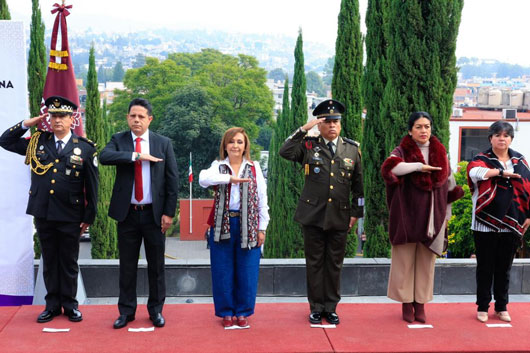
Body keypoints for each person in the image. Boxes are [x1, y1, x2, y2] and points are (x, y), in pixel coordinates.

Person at [0, 96, 99, 323]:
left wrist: (89, 216)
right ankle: (52, 305)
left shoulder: (84, 148)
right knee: (50, 260)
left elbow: (92, 186)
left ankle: (70, 305)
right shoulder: (37, 142)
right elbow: (4, 141)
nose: (57, 121)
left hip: (70, 215)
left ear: (72, 118)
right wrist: (28, 123)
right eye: (53, 116)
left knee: (69, 262)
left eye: (62, 116)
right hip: (43, 212)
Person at [279, 99, 363, 325]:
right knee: (315, 262)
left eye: (336, 121)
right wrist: (305, 128)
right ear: (320, 124)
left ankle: (331, 307)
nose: (332, 126)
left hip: (340, 216)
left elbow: (359, 186)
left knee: (334, 263)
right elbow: (284, 151)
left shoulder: (352, 149)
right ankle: (316, 307)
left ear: (341, 124)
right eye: (327, 122)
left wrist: (356, 213)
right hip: (313, 215)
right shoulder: (309, 145)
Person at [100, 98, 178, 329]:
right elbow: (104, 157)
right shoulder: (119, 140)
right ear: (127, 117)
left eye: (141, 116)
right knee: (127, 266)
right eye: (132, 116)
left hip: (154, 215)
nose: (136, 120)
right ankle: (126, 312)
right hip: (128, 214)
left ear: (149, 119)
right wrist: (136, 156)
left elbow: (172, 180)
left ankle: (156, 311)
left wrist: (169, 213)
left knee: (156, 267)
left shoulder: (162, 143)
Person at [381, 111, 463, 323]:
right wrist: (419, 166)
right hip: (407, 217)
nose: (423, 130)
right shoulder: (401, 151)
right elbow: (391, 169)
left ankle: (420, 304)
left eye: (427, 126)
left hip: (432, 219)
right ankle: (406, 303)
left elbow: (450, 186)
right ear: (410, 130)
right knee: (404, 261)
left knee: (427, 263)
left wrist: (447, 215)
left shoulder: (440, 153)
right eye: (418, 126)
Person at [199, 127, 269, 329]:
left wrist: (262, 227)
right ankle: (226, 312)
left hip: (249, 224)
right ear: (225, 145)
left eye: (239, 141)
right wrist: (230, 178)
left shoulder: (254, 167)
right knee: (222, 270)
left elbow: (262, 200)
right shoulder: (218, 166)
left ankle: (243, 311)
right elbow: (203, 179)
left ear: (245, 145)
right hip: (223, 223)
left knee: (247, 270)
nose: (235, 145)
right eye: (231, 142)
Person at [466, 120, 530, 323]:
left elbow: (527, 188)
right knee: (485, 267)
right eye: (498, 135)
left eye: (506, 135)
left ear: (511, 139)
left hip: (512, 223)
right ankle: (483, 306)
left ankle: (502, 306)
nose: (502, 139)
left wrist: (527, 215)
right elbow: (474, 173)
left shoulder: (520, 161)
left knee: (504, 268)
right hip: (484, 223)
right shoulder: (481, 159)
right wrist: (501, 173)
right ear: (490, 138)